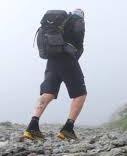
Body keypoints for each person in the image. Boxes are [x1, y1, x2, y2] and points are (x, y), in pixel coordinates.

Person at [23, 9, 87, 140]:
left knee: (48, 93)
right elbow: (79, 44)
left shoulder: (57, 24)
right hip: (67, 60)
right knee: (80, 94)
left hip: (52, 60)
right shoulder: (77, 21)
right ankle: (67, 130)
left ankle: (32, 127)